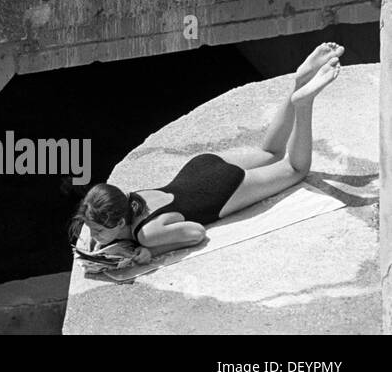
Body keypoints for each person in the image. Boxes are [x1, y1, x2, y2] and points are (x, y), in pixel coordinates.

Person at [69, 42, 343, 266]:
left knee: (294, 169)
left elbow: (196, 234)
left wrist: (151, 251)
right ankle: (299, 79)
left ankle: (303, 103)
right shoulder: (131, 200)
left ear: (119, 222)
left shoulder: (147, 234)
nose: (94, 236)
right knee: (268, 151)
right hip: (199, 168)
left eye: (98, 231)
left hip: (221, 190)